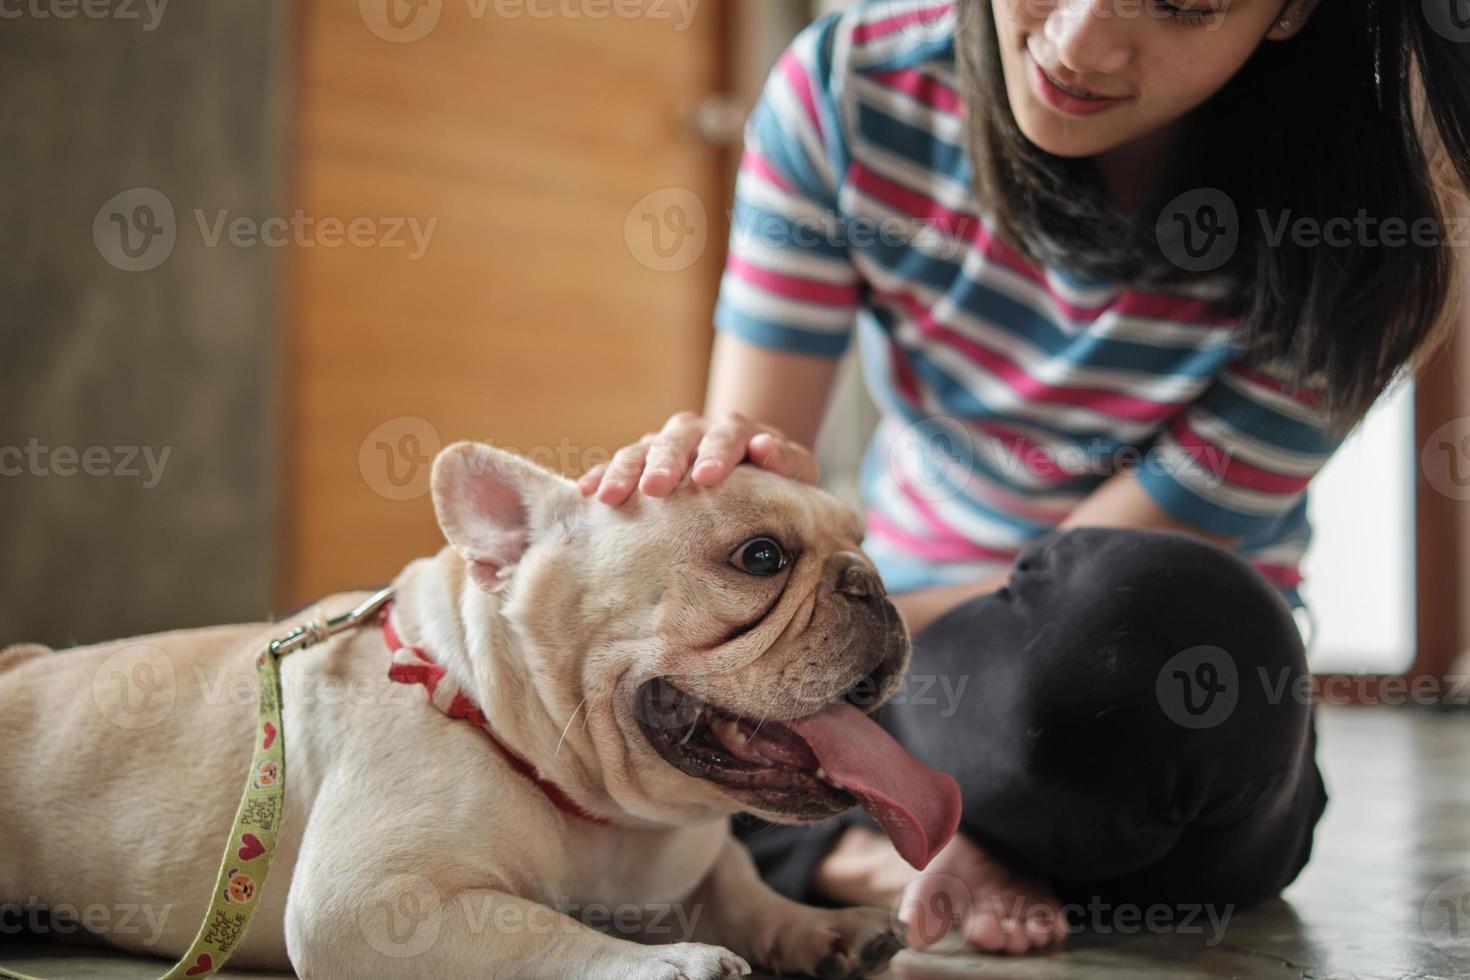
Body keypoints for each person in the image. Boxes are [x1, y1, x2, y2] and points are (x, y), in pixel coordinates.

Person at [578, 0, 1469, 955]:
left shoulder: (1374, 219)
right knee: (652, 668)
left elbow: (1096, 581)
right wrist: (751, 511)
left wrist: (795, 633)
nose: (1078, 43)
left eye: (1183, 4)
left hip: (1146, 693)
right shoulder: (852, 91)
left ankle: (834, 830)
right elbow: (751, 448)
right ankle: (871, 843)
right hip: (897, 657)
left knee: (1114, 651)